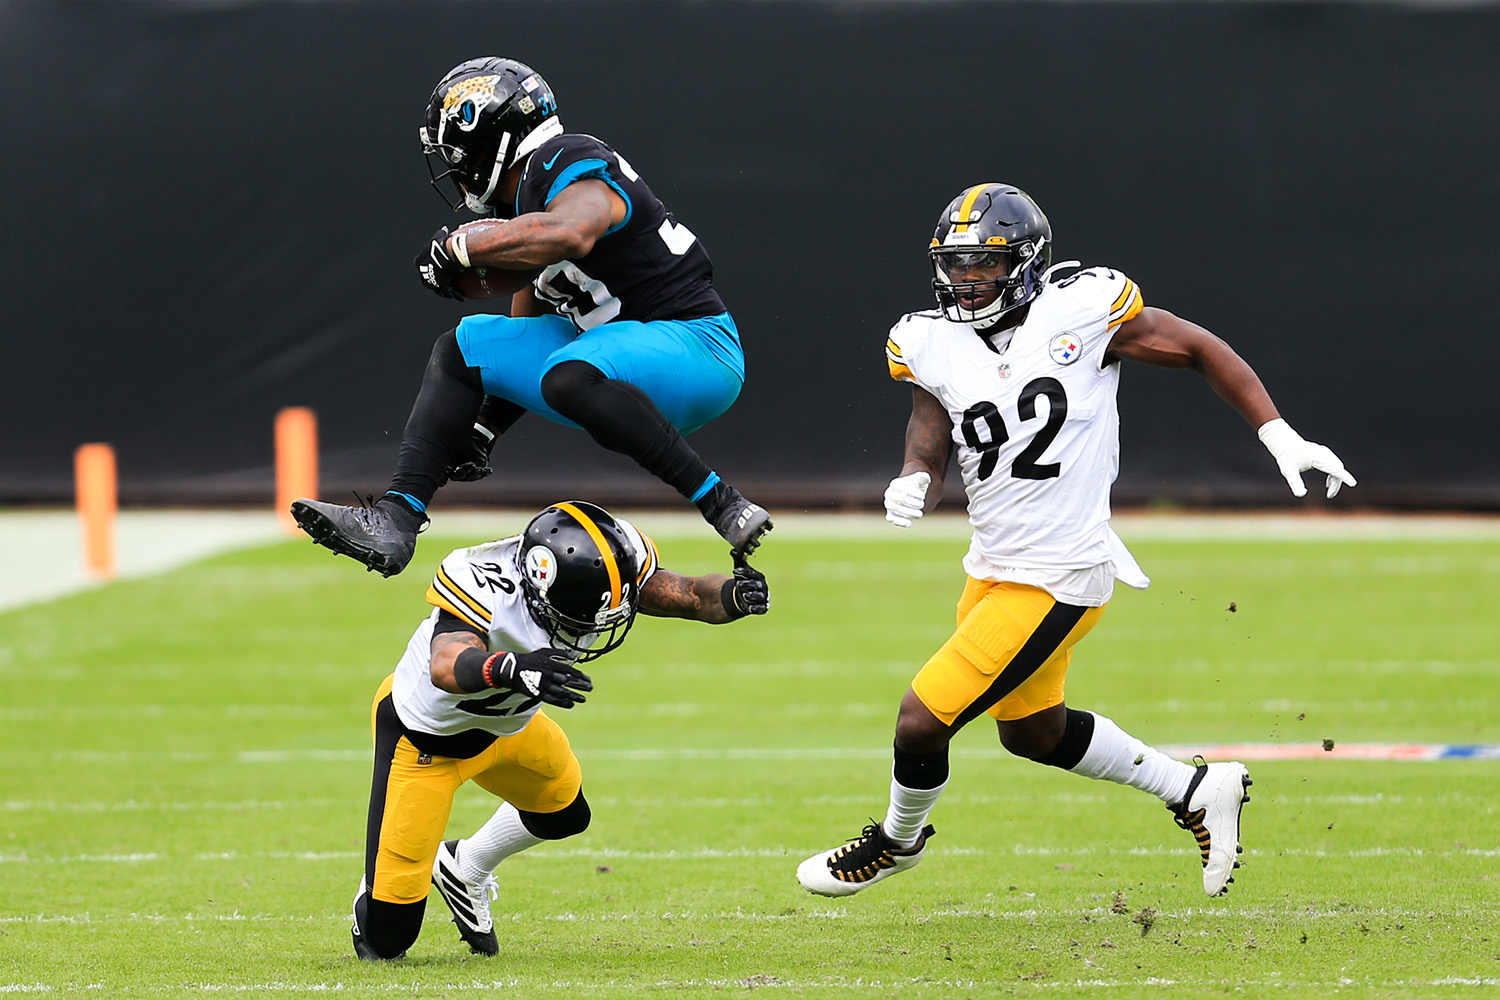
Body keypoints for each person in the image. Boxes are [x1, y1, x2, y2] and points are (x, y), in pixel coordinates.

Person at [796, 182, 1355, 900]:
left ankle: (899, 842)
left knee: (920, 718)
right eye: (957, 264)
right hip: (993, 566)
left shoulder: (1083, 309)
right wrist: (915, 477)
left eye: (986, 264)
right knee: (1032, 732)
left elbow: (1197, 347)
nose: (969, 280)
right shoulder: (925, 338)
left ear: (1026, 262)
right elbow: (931, 433)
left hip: (1062, 572)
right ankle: (1193, 789)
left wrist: (1277, 431)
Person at [292, 57, 770, 579]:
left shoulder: (564, 157)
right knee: (464, 349)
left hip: (697, 348)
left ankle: (721, 501)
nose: (457, 166)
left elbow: (571, 233)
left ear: (493, 141)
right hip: (619, 364)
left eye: (461, 152)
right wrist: (483, 427)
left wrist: (463, 244)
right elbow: (528, 320)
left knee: (568, 373)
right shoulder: (528, 211)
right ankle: (396, 517)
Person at [350, 499, 769, 960]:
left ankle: (465, 865)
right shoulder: (482, 580)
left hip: (507, 730)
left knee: (565, 814)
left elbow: (689, 593)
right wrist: (513, 669)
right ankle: (375, 894)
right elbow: (445, 665)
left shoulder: (611, 562)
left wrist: (732, 596)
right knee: (387, 941)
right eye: (578, 612)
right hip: (424, 742)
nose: (593, 625)